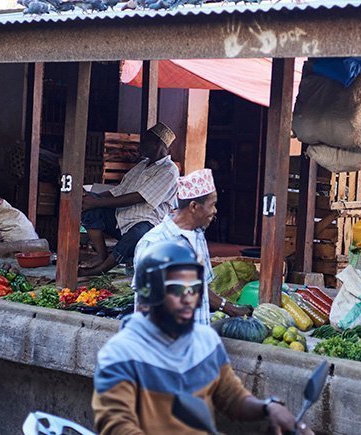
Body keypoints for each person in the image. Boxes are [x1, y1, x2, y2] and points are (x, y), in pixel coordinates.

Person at [92, 241, 311, 435]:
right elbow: (116, 425)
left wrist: (268, 407)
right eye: (177, 288)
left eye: (194, 288)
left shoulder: (204, 340)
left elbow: (232, 399)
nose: (188, 298)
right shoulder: (120, 353)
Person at [133, 168, 253, 325]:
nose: (215, 211)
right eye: (212, 205)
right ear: (194, 206)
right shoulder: (154, 244)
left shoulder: (197, 236)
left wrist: (228, 308)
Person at [80, 122, 179, 276]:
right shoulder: (141, 165)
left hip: (148, 224)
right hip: (122, 219)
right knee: (90, 207)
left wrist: (98, 201)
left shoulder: (169, 170)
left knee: (136, 235)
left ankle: (102, 269)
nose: (141, 145)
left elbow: (139, 197)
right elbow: (118, 191)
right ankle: (101, 255)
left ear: (158, 144)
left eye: (145, 141)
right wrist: (91, 198)